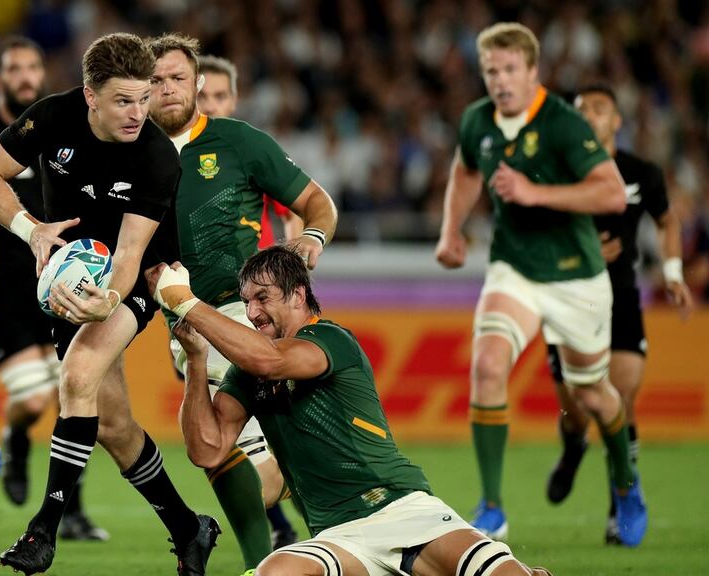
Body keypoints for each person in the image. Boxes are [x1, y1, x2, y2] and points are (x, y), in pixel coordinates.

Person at [0, 32, 219, 575]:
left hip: (139, 277)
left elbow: (129, 255)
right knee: (113, 426)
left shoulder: (157, 156)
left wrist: (107, 302)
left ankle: (43, 531)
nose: (138, 113)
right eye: (123, 100)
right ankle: (188, 529)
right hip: (70, 276)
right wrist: (31, 229)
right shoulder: (52, 117)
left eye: (144, 98)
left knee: (78, 374)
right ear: (90, 96)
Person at [150, 246, 553, 576]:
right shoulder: (247, 373)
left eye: (262, 298)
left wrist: (186, 302)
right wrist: (196, 361)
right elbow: (207, 450)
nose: (252, 312)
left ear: (298, 295)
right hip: (337, 536)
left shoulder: (329, 339)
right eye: (246, 302)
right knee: (274, 572)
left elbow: (270, 361)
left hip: (402, 509)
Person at [433, 22, 647, 546]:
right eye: (491, 71)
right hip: (515, 269)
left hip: (577, 276)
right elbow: (466, 170)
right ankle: (492, 508)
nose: (500, 81)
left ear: (533, 71)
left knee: (592, 395)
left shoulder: (563, 124)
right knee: (487, 366)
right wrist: (451, 230)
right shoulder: (477, 119)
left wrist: (535, 192)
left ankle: (625, 482)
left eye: (510, 70)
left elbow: (612, 194)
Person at [146, 35, 337, 572]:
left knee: (219, 447)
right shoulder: (129, 154)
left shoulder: (238, 141)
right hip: (182, 318)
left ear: (198, 84)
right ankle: (292, 534)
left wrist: (312, 237)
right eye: (156, 80)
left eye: (177, 78)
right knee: (223, 455)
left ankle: (268, 552)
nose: (167, 88)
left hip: (245, 311)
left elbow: (316, 202)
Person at [0, 35, 107, 541]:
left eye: (31, 67)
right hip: (5, 287)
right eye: (14, 68)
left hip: (62, 280)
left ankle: (73, 510)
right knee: (37, 399)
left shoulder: (62, 124)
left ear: (42, 74)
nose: (24, 76)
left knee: (76, 396)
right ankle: (16, 438)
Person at [544, 83, 694, 542]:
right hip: (570, 299)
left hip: (622, 298)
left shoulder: (641, 173)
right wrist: (580, 249)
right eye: (581, 109)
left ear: (616, 121)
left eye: (599, 108)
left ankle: (619, 505)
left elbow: (667, 221)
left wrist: (673, 272)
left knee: (622, 400)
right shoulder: (555, 174)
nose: (589, 115)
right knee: (577, 406)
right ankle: (573, 447)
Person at [196, 55, 303, 250]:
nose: (210, 106)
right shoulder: (173, 153)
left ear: (234, 100)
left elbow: (293, 211)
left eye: (220, 96)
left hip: (256, 267)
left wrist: (293, 260)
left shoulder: (255, 149)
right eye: (201, 96)